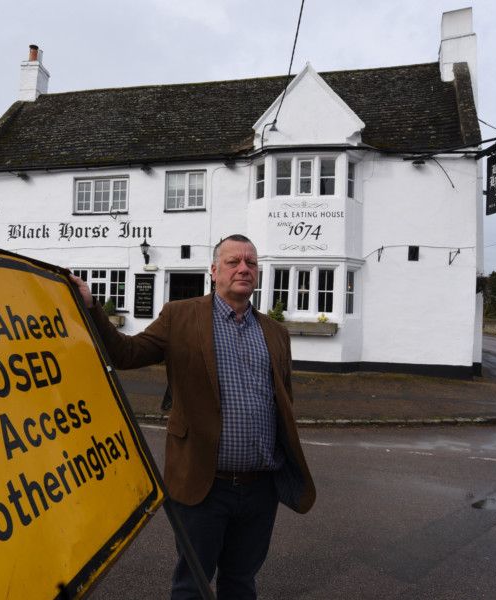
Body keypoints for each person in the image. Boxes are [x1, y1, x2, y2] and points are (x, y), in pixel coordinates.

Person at [70, 234, 315, 599]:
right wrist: (91, 307)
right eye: (234, 262)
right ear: (214, 271)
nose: (244, 268)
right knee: (192, 585)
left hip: (261, 487)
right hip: (204, 484)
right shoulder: (180, 316)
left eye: (251, 262)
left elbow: (282, 401)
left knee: (241, 582)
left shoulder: (275, 333)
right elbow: (125, 354)